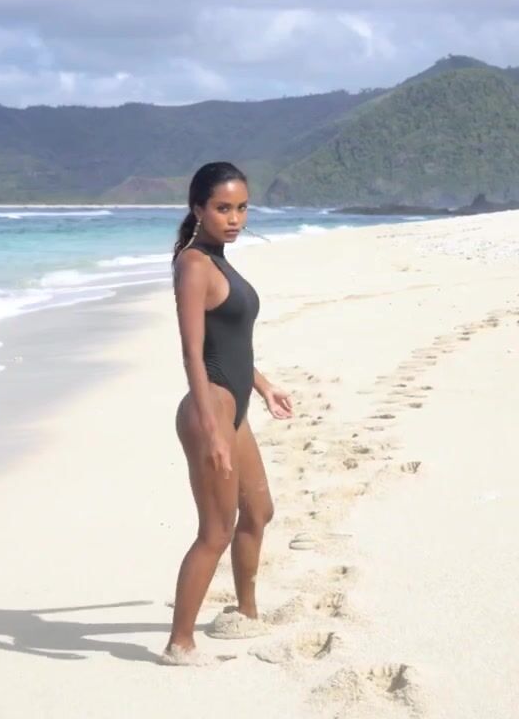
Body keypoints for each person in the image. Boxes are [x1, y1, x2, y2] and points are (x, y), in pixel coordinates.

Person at [163, 161, 293, 665]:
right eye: (222, 208)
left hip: (232, 405)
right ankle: (180, 644)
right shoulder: (195, 265)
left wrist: (263, 385)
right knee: (216, 530)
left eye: (241, 208)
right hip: (209, 410)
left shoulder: (219, 259)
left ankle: (244, 613)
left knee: (258, 512)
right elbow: (193, 353)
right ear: (198, 208)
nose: (235, 218)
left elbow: (231, 344)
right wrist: (214, 431)